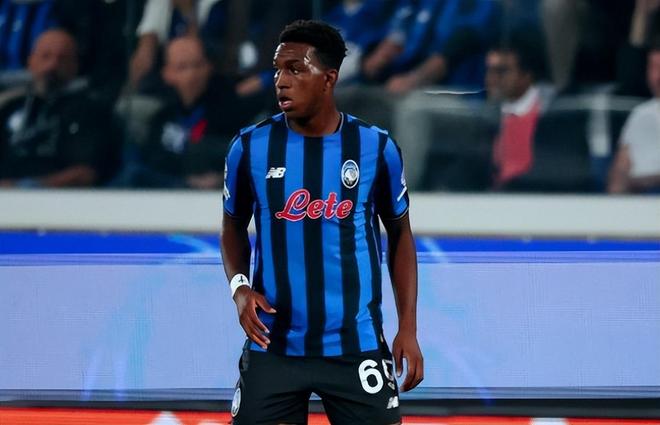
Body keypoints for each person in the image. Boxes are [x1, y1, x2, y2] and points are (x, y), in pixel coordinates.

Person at [221, 20, 423, 424]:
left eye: (295, 69)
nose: (281, 81)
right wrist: (240, 288)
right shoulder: (249, 147)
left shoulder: (376, 147)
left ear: (329, 78)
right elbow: (232, 228)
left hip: (356, 346)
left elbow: (400, 235)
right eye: (278, 70)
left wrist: (408, 328)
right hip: (273, 345)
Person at [113, 36, 248, 189]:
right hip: (168, 191)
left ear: (209, 67)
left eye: (198, 65)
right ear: (167, 74)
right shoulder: (163, 117)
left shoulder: (231, 111)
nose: (192, 74)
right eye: (183, 67)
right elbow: (153, 160)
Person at [0, 29, 115, 187]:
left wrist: (30, 187)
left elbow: (85, 173)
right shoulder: (9, 108)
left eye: (62, 59)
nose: (52, 65)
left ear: (75, 66)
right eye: (46, 56)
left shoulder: (90, 111)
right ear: (30, 62)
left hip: (61, 198)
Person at [608, 43, 660, 193]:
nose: (658, 76)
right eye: (653, 68)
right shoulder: (639, 115)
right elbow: (620, 171)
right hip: (638, 199)